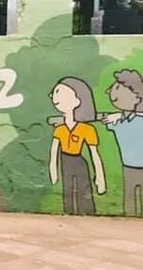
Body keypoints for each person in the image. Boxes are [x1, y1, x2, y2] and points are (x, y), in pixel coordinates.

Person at [48, 77, 106, 215]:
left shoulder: (87, 129)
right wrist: (53, 171)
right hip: (65, 161)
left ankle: (88, 213)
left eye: (60, 92)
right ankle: (68, 212)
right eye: (55, 92)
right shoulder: (59, 129)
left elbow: (94, 154)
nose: (55, 96)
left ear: (77, 101)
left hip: (79, 161)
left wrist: (100, 177)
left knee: (84, 187)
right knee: (67, 188)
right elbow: (54, 152)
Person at [101, 69, 143, 216]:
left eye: (119, 88)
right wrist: (118, 115)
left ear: (137, 96)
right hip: (128, 166)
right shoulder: (118, 121)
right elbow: (99, 118)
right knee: (129, 198)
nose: (113, 94)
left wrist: (119, 115)